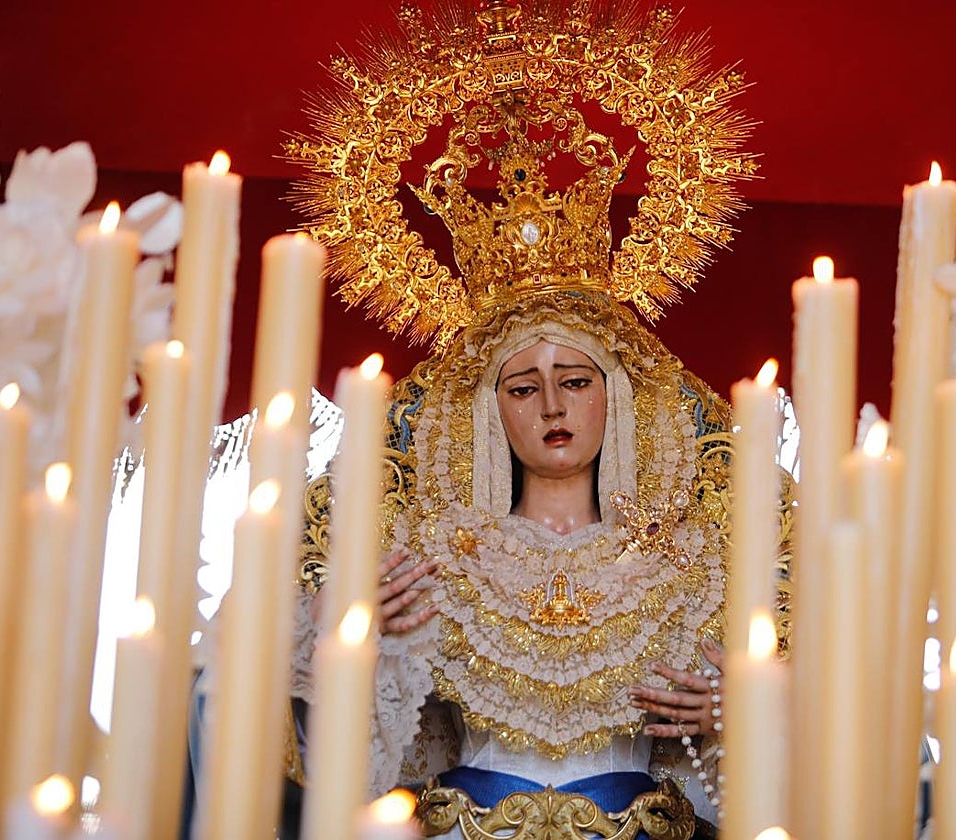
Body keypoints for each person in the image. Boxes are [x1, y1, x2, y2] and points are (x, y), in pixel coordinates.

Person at [282, 3, 792, 837]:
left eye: (575, 380)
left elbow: (786, 751)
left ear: (615, 397)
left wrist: (744, 710)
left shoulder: (694, 563)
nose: (553, 405)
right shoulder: (433, 556)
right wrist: (343, 633)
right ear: (490, 417)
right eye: (522, 388)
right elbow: (349, 750)